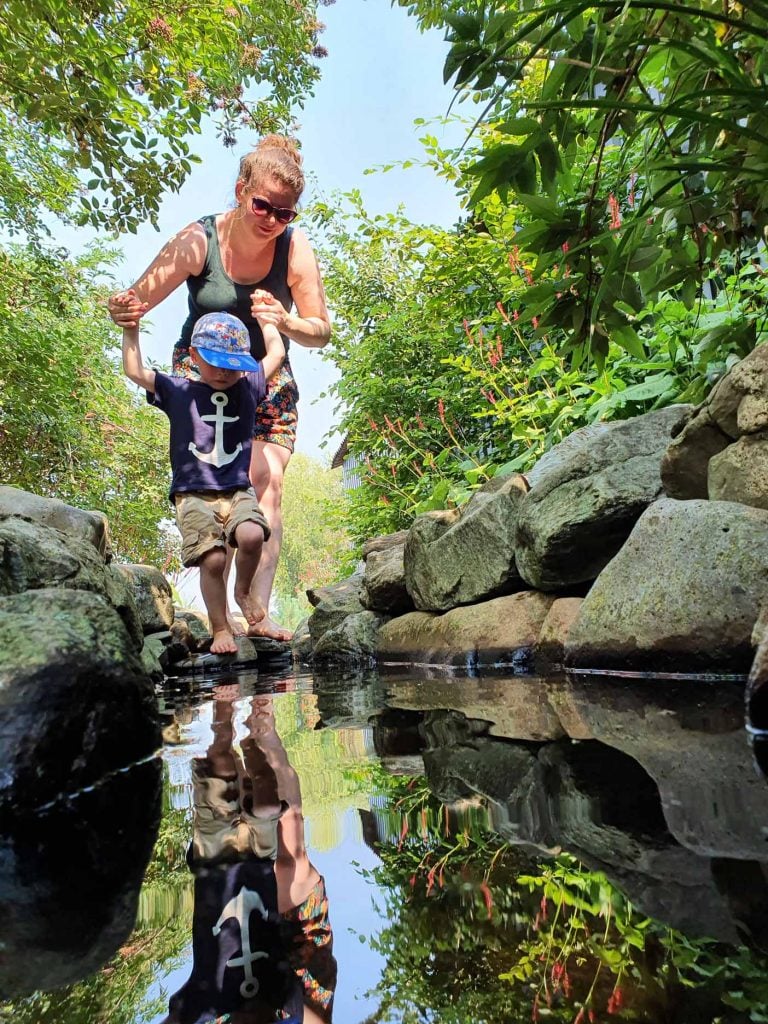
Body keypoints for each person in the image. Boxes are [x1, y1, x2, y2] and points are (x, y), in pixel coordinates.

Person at [108, 134, 331, 643]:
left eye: (285, 212)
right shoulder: (198, 240)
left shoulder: (294, 250)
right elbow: (135, 300)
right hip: (202, 373)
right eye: (263, 205)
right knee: (216, 486)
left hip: (264, 374)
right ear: (240, 191)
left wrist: (286, 322)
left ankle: (255, 606)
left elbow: (321, 329)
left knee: (263, 479)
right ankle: (218, 617)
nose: (272, 219)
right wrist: (123, 311)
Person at [122, 311, 284, 655]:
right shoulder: (178, 390)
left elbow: (277, 354)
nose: (224, 372)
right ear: (194, 356)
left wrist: (268, 319)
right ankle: (221, 627)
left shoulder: (248, 387)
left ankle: (242, 592)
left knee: (253, 534)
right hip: (193, 494)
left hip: (236, 489)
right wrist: (132, 330)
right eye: (215, 362)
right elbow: (134, 371)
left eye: (232, 364)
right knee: (212, 560)